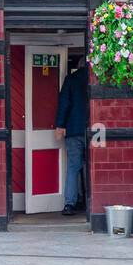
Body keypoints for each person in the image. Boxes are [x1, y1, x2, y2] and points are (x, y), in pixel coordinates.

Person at [53, 54, 89, 216]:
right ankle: (91, 201)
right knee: (91, 166)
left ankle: (70, 203)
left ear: (79, 65)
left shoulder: (71, 79)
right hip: (95, 131)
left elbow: (64, 103)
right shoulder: (96, 78)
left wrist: (60, 126)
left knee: (73, 167)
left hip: (74, 130)